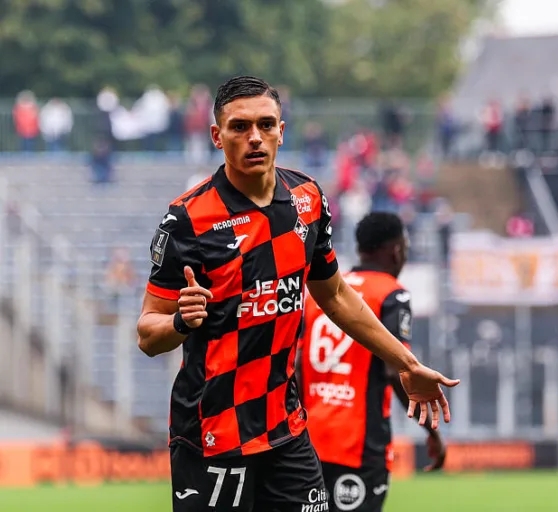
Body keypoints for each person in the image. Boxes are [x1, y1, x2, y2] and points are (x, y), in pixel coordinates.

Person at [136, 76, 459, 512]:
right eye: (239, 126)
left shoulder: (307, 200)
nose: (255, 137)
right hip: (214, 434)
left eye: (266, 125)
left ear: (281, 131)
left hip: (286, 430)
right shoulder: (187, 219)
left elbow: (336, 296)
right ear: (216, 135)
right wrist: (179, 321)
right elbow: (147, 333)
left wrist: (408, 364)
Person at [298, 212, 446, 512]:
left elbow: (298, 365)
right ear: (396, 250)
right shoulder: (391, 294)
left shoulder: (323, 292)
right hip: (358, 444)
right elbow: (397, 370)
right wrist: (433, 433)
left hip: (308, 441)